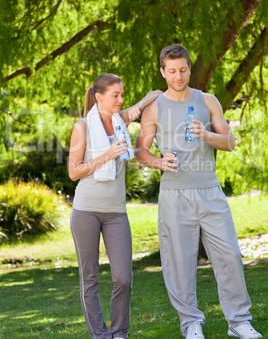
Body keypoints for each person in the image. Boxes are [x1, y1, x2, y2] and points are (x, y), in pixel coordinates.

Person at [135, 44, 263, 339]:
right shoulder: (155, 107)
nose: (178, 76)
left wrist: (208, 135)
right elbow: (141, 150)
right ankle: (191, 323)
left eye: (182, 70)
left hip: (209, 189)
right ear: (162, 72)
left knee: (230, 254)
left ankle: (239, 322)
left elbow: (229, 143)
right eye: (171, 71)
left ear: (189, 68)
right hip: (174, 193)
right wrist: (158, 161)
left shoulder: (208, 101)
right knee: (179, 261)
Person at [69, 73, 161, 339]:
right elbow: (74, 172)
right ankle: (100, 335)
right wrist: (106, 155)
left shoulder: (121, 121)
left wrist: (154, 96)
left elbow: (139, 107)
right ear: (99, 97)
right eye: (115, 95)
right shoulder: (82, 127)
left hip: (116, 213)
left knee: (123, 277)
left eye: (122, 94)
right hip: (86, 211)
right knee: (91, 278)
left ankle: (119, 332)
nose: (121, 100)